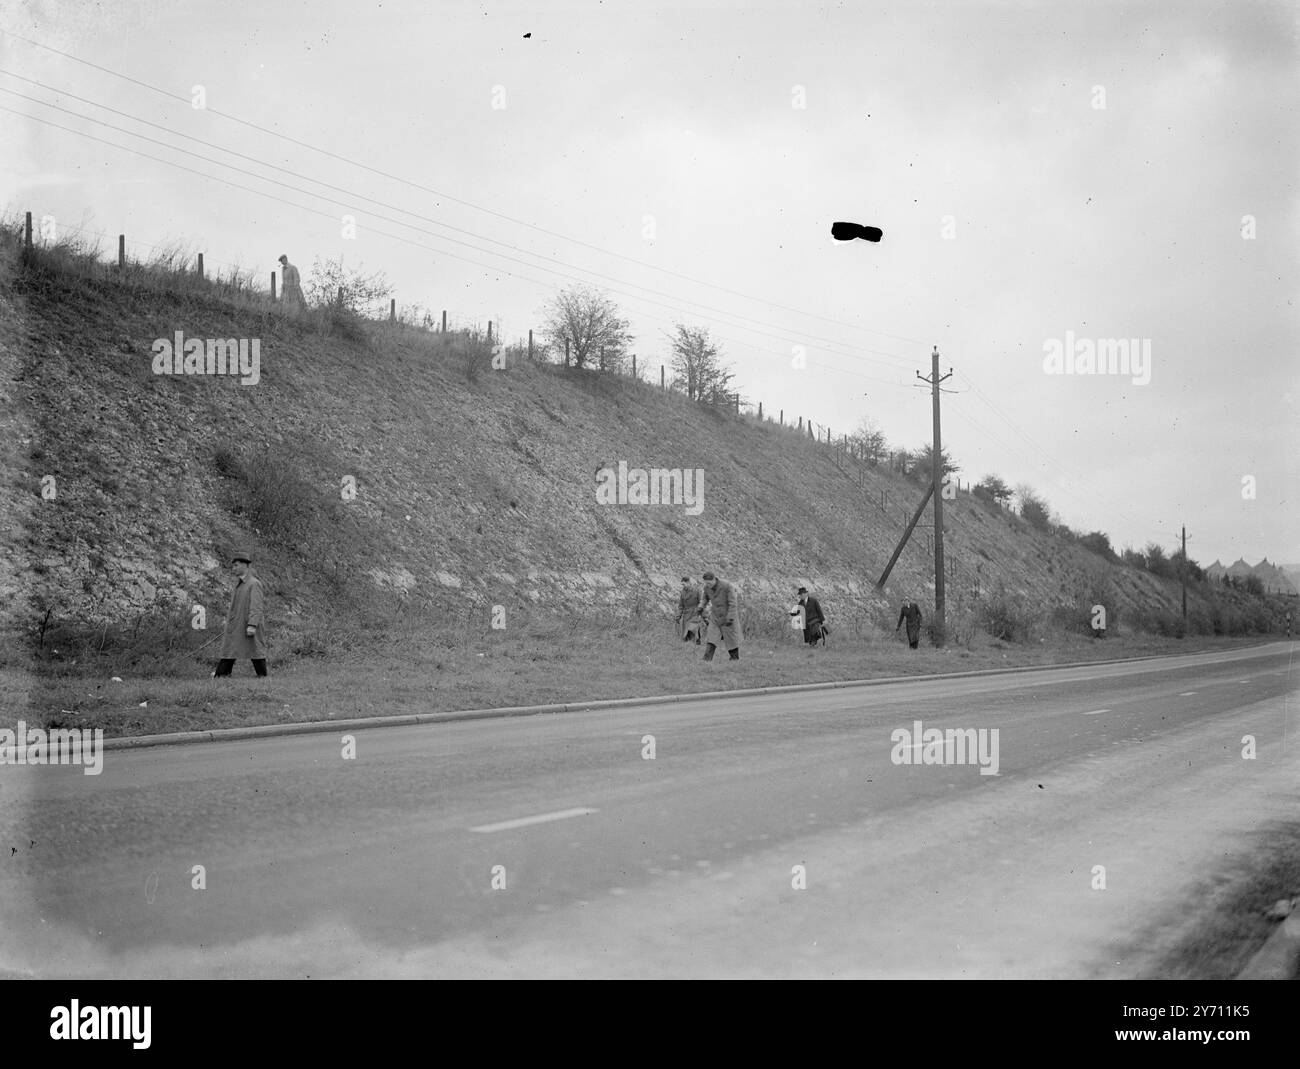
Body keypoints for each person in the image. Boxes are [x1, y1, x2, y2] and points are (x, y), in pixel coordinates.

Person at [214, 551, 268, 677]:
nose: (234, 568)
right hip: (236, 624)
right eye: (233, 566)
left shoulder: (254, 584)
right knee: (230, 648)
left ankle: (262, 675)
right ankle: (222, 674)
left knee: (255, 649)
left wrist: (252, 624)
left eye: (236, 565)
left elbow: (256, 606)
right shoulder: (238, 585)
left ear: (246, 566)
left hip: (247, 623)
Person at [700, 571, 741, 661]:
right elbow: (705, 598)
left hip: (728, 616)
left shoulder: (727, 586)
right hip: (715, 617)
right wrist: (701, 607)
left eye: (709, 583)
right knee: (711, 637)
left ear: (714, 579)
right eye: (706, 583)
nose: (708, 585)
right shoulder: (707, 587)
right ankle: (706, 659)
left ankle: (734, 658)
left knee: (731, 639)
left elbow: (733, 603)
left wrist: (730, 617)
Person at [677, 576, 701, 642]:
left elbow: (702, 604)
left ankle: (695, 646)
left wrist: (705, 616)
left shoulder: (697, 590)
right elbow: (681, 606)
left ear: (688, 583)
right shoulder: (683, 592)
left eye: (684, 584)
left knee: (692, 631)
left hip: (694, 615)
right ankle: (687, 649)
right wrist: (678, 616)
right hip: (686, 616)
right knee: (685, 636)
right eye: (682, 585)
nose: (683, 586)